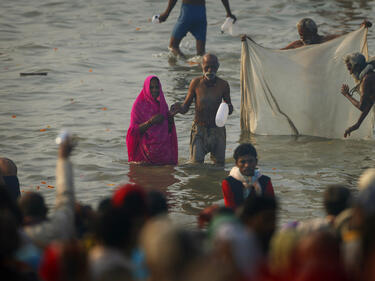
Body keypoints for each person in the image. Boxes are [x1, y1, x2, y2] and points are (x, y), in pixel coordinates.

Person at [170, 53, 233, 165]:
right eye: (207, 66)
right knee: (196, 165)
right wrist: (179, 109)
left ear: (218, 67)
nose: (210, 70)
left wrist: (227, 108)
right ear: (201, 65)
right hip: (199, 130)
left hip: (217, 130)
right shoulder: (196, 83)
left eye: (213, 67)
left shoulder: (223, 85)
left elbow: (229, 107)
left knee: (219, 166)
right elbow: (186, 107)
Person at [18, 137, 77, 248]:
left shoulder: (14, 237)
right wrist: (63, 158)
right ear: (45, 211)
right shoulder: (59, 227)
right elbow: (65, 196)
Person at [126, 75, 178, 165]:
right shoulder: (138, 105)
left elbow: (168, 130)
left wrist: (170, 117)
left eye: (157, 87)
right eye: (151, 87)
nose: (154, 90)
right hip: (144, 156)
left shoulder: (162, 105)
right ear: (146, 88)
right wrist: (150, 122)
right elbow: (133, 131)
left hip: (163, 156)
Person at [158, 0, 236, 58]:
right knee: (201, 53)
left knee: (173, 46)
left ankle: (184, 64)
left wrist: (166, 13)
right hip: (201, 14)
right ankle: (199, 73)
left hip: (187, 14)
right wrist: (228, 13)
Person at [222, 143, 274, 209]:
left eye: (250, 161)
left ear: (256, 162)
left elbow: (270, 208)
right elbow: (230, 210)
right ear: (236, 164)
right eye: (242, 162)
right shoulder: (228, 183)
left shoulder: (265, 181)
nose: (247, 165)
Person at [340, 52, 375, 137]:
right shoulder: (370, 76)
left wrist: (347, 95)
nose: (350, 73)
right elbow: (369, 104)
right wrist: (356, 125)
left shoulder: (366, 80)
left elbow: (362, 106)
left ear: (357, 66)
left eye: (350, 69)